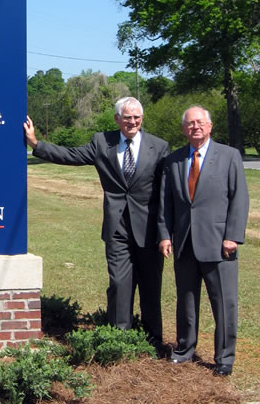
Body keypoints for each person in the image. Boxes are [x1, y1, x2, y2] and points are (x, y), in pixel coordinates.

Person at [24, 97, 169, 349]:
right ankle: (119, 339)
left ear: (142, 119)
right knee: (119, 284)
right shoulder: (102, 142)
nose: (132, 122)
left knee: (150, 285)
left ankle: (152, 339)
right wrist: (36, 144)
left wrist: (166, 231)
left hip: (149, 229)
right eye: (127, 117)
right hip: (117, 229)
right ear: (117, 119)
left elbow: (168, 192)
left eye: (136, 117)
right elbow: (71, 155)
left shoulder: (159, 146)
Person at [158, 106, 249, 376]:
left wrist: (232, 236)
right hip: (184, 242)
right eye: (190, 123)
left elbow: (239, 198)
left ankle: (224, 359)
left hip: (220, 244)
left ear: (210, 126)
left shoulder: (229, 156)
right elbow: (166, 203)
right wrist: (164, 235)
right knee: (186, 300)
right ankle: (184, 349)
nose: (195, 127)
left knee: (224, 303)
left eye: (200, 122)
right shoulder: (173, 160)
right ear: (184, 129)